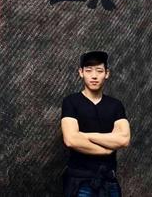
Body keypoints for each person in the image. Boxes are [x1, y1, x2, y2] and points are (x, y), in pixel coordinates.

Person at [60, 51, 130, 197]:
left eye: (99, 71)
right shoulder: (71, 102)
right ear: (81, 72)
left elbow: (123, 139)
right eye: (88, 70)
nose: (94, 76)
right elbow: (71, 140)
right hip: (80, 182)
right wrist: (106, 149)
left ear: (107, 73)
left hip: (109, 181)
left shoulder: (115, 105)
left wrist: (85, 136)